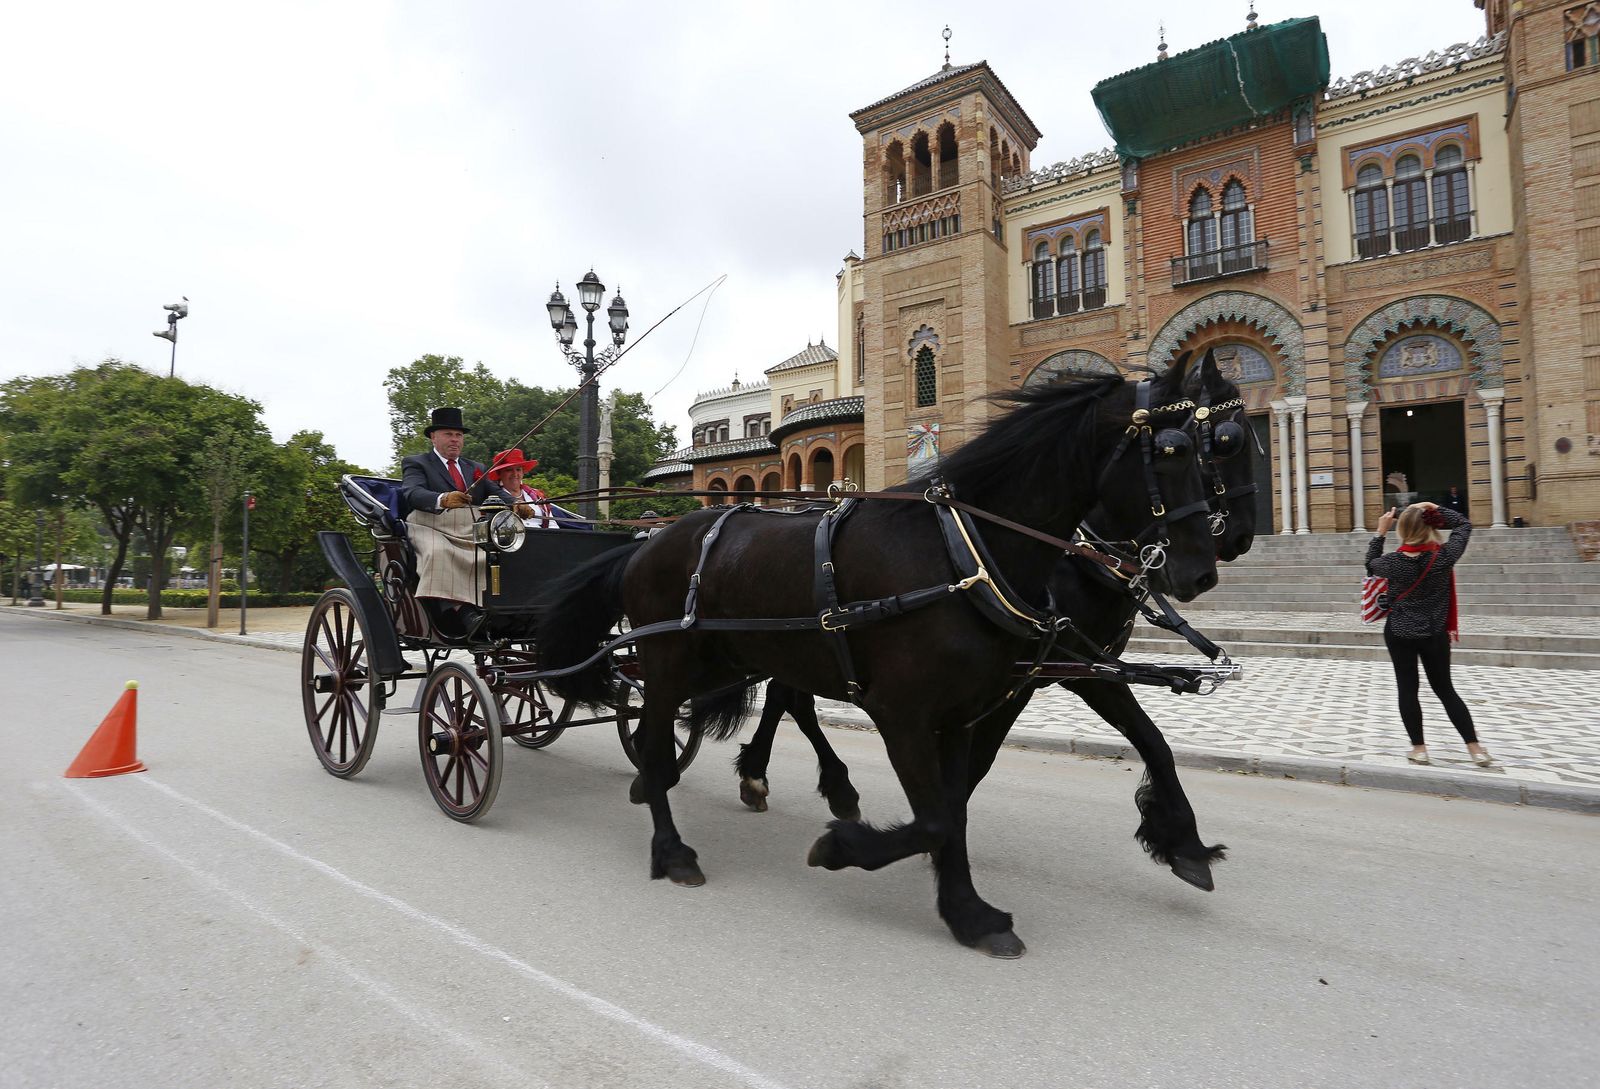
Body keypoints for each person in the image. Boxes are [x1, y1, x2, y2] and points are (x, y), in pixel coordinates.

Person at [1366, 501, 1490, 767]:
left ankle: (1419, 749)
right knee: (1445, 689)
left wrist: (1380, 532)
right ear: (1431, 526)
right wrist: (1434, 508)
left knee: (1407, 689)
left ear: (1402, 529)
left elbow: (1370, 564)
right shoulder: (1444, 557)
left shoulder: (1392, 563)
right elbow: (1463, 524)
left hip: (1399, 632)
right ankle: (1475, 748)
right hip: (1435, 633)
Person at [400, 407, 493, 635]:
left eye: (458, 435)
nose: (454, 440)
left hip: (469, 528)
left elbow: (496, 492)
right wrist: (442, 499)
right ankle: (463, 613)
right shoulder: (417, 463)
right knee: (438, 553)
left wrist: (519, 504)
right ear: (434, 437)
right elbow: (411, 493)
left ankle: (492, 609)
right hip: (428, 524)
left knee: (498, 555)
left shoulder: (476, 468)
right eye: (448, 434)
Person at [485, 448, 556, 529]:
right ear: (499, 473)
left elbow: (552, 524)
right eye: (509, 470)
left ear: (523, 472)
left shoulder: (537, 495)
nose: (515, 474)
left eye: (518, 469)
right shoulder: (494, 498)